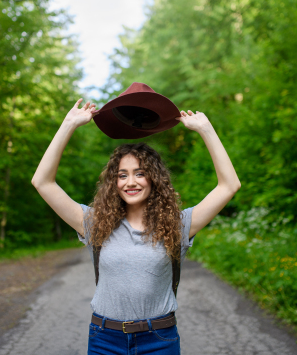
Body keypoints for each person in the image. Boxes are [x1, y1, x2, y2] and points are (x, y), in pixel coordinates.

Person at [32, 98, 241, 355]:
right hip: (105, 340)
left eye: (140, 173)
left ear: (154, 179)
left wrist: (205, 129)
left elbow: (229, 186)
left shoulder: (178, 224)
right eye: (122, 174)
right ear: (114, 182)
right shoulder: (95, 222)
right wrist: (69, 123)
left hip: (159, 340)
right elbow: (43, 182)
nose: (130, 182)